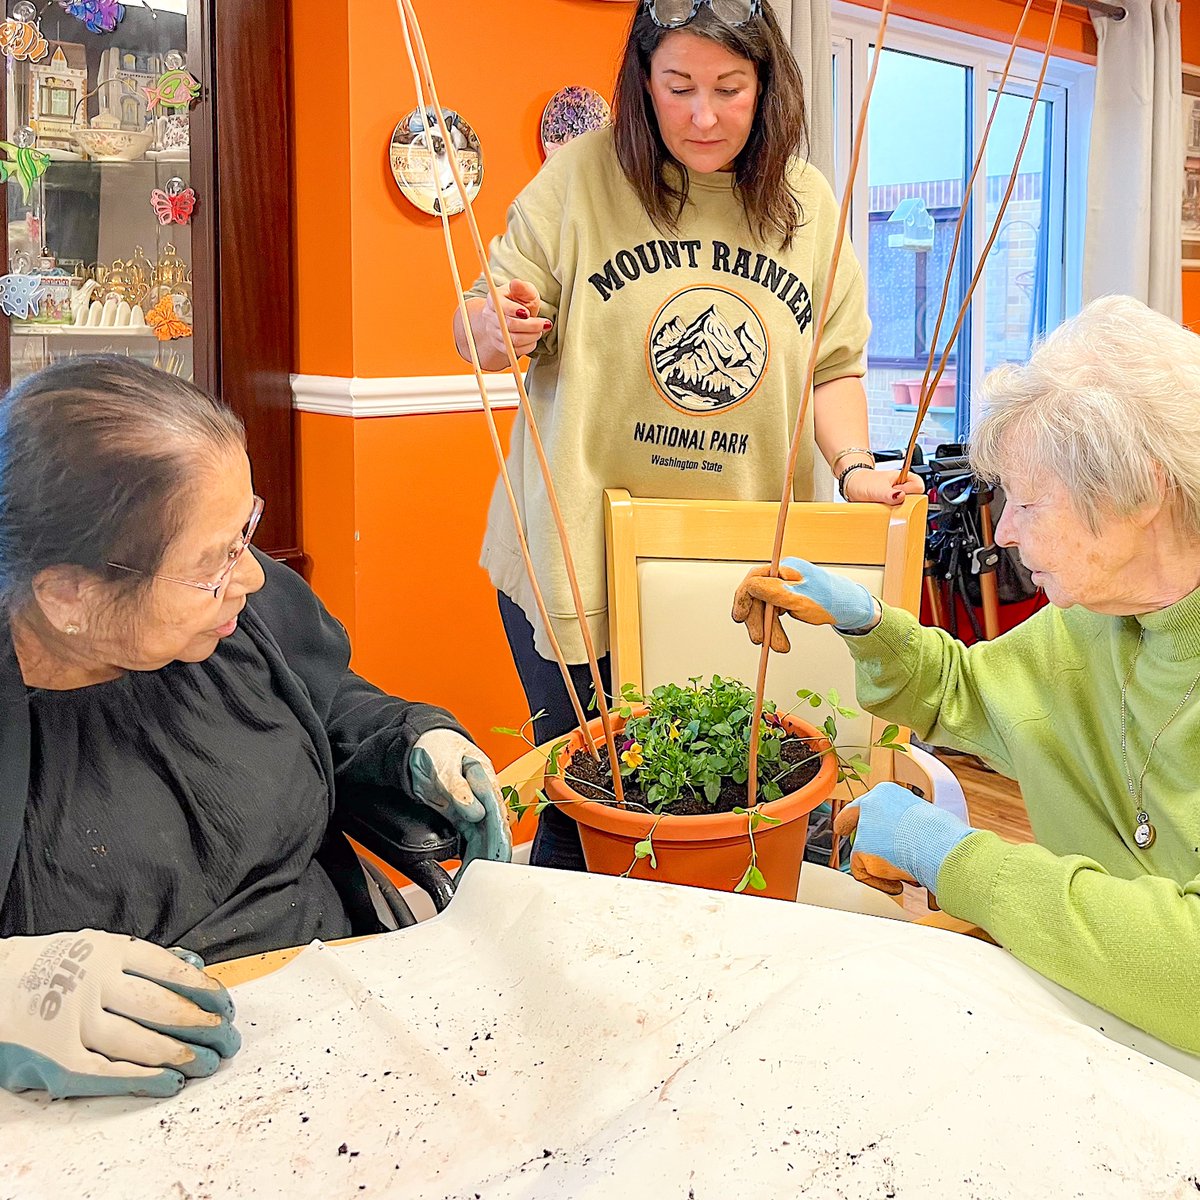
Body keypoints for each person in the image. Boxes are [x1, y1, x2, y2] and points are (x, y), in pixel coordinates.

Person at [452, 0, 920, 868]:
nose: (703, 115)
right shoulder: (580, 179)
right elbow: (484, 310)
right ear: (642, 83)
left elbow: (833, 365)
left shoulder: (807, 204)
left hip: (740, 572)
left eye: (729, 88)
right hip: (575, 555)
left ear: (767, 86)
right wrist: (491, 326)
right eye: (678, 87)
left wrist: (854, 465)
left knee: (757, 802)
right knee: (596, 807)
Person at [0, 356, 512, 1101]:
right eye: (213, 560)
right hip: (129, 1092)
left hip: (352, 1022)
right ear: (68, 595)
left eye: (245, 531)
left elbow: (329, 705)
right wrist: (16, 992)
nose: (251, 576)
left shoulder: (232, 621)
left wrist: (412, 743)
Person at [732, 295, 1200, 1055]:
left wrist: (954, 859)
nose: (1006, 531)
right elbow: (966, 692)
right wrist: (864, 622)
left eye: (1028, 500)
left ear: (1139, 494)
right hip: (1088, 1022)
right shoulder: (1095, 621)